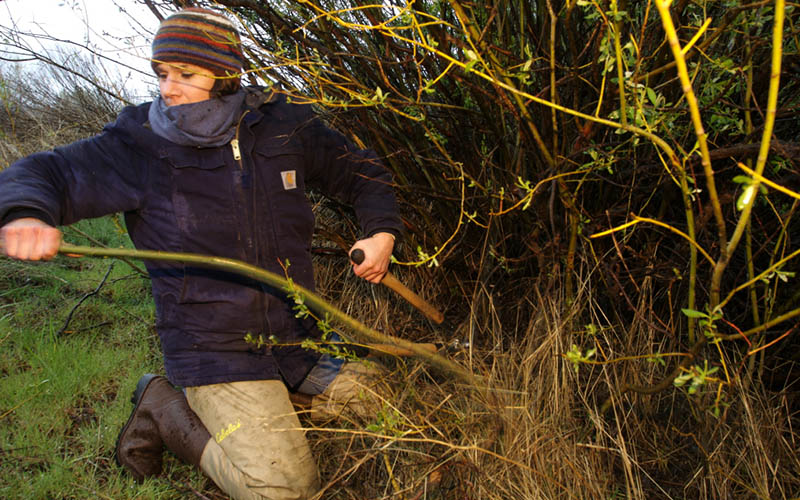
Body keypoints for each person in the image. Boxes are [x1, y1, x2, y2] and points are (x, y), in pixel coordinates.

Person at [0, 7, 402, 500]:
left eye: (186, 74)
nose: (168, 88)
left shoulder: (282, 124)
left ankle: (282, 404)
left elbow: (360, 170)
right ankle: (168, 412)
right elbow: (49, 173)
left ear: (227, 75)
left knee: (394, 406)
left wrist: (380, 232)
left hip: (298, 338)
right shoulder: (137, 146)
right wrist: (24, 211)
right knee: (283, 490)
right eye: (161, 73)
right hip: (213, 352)